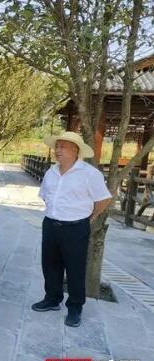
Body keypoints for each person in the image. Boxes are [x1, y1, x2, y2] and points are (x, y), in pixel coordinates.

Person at [31, 131, 112, 328]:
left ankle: (75, 307)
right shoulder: (51, 172)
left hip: (76, 227)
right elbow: (45, 195)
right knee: (50, 264)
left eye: (63, 146)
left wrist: (91, 217)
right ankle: (52, 298)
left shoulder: (89, 173)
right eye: (56, 146)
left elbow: (104, 198)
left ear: (75, 150)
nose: (57, 150)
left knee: (75, 269)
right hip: (51, 224)